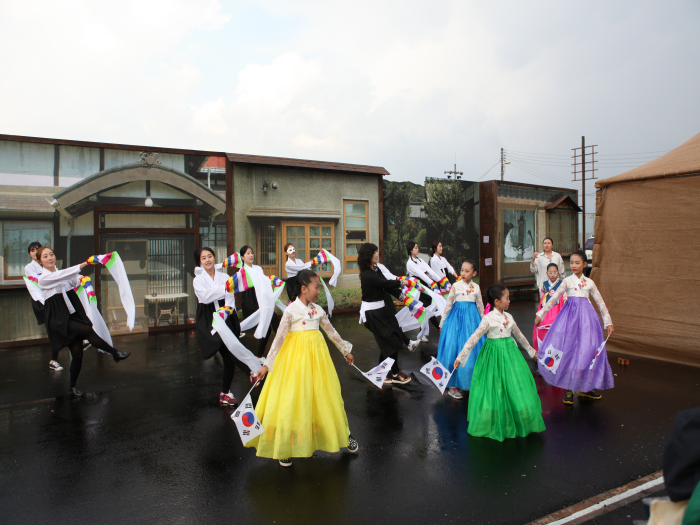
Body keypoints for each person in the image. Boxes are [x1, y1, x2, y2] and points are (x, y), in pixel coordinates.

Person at [248, 269, 359, 467]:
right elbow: (279, 340)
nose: (319, 291)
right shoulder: (291, 310)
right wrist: (266, 366)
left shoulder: (318, 310)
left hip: (318, 364)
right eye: (316, 287)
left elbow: (331, 332)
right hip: (293, 365)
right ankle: (284, 446)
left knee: (328, 397)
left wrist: (345, 350)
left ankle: (344, 435)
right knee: (292, 401)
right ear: (303, 288)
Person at [35, 246, 130, 397]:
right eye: (45, 256)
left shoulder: (61, 273)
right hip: (58, 319)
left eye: (51, 254)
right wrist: (84, 264)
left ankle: (71, 387)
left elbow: (72, 280)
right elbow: (63, 276)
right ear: (40, 261)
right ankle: (115, 353)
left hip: (71, 315)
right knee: (86, 330)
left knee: (78, 353)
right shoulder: (43, 278)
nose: (50, 258)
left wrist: (82, 279)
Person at [455, 283, 545, 441]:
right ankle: (497, 419)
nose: (509, 301)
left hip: (510, 354)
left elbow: (520, 336)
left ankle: (515, 419)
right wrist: (461, 356)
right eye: (507, 298)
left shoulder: (509, 317)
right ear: (497, 301)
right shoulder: (488, 319)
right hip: (493, 355)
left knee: (513, 385)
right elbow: (474, 338)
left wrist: (532, 352)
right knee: (495, 387)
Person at [535, 249, 614, 405]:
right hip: (570, 320)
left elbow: (600, 302)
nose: (574, 265)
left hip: (587, 321)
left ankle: (585, 387)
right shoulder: (567, 281)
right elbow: (554, 298)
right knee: (569, 350)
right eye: (571, 262)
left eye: (577, 263)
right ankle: (569, 388)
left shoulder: (589, 283)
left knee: (587, 351)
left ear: (585, 264)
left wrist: (608, 322)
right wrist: (541, 314)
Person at [193, 247, 253, 407]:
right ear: (199, 262)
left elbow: (229, 297)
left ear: (214, 257)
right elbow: (205, 298)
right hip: (208, 318)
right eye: (203, 258)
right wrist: (224, 289)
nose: (207, 260)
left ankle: (225, 393)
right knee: (228, 348)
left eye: (210, 256)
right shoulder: (198, 280)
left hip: (226, 313)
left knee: (228, 356)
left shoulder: (225, 276)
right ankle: (251, 372)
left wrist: (227, 310)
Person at [358, 243, 418, 386]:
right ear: (368, 255)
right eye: (374, 252)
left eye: (377, 251)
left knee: (393, 339)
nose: (377, 253)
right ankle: (394, 372)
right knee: (391, 342)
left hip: (382, 309)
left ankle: (384, 373)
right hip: (372, 313)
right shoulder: (366, 275)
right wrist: (403, 282)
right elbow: (385, 283)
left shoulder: (376, 269)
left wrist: (403, 296)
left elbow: (388, 285)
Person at [437, 260, 485, 400]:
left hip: (472, 321)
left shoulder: (476, 287)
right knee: (453, 348)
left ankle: (470, 382)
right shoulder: (456, 286)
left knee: (472, 350)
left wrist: (485, 325)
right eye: (462, 270)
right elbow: (448, 305)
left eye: (467, 271)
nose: (463, 273)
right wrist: (442, 323)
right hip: (456, 321)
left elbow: (480, 307)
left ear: (474, 273)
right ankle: (452, 385)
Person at [239, 245, 281, 358]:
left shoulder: (258, 268)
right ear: (242, 257)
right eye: (247, 253)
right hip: (250, 300)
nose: (251, 255)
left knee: (269, 322)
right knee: (269, 321)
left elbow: (264, 283)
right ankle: (282, 345)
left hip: (260, 297)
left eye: (251, 252)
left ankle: (260, 355)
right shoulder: (242, 270)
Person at [406, 241, 444, 340]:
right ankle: (439, 329)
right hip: (418, 288)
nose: (418, 249)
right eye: (415, 248)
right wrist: (432, 283)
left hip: (425, 286)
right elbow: (420, 274)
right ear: (411, 250)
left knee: (427, 309)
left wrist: (439, 280)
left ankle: (425, 332)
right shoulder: (410, 263)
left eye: (418, 247)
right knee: (427, 309)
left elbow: (429, 271)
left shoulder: (420, 260)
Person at [532, 263, 566, 351]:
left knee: (557, 326)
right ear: (547, 273)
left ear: (558, 273)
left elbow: (565, 296)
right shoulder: (544, 284)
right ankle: (544, 348)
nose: (553, 274)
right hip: (546, 307)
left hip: (558, 306)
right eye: (550, 272)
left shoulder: (562, 283)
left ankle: (557, 348)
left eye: (555, 272)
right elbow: (542, 295)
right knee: (543, 326)